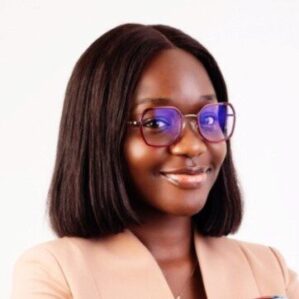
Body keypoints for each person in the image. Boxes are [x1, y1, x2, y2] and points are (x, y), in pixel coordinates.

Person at [11, 23, 299, 299]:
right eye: (158, 123)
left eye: (209, 118)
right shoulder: (55, 272)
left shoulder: (268, 268)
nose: (193, 145)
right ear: (101, 134)